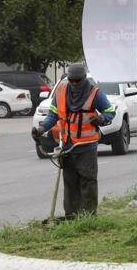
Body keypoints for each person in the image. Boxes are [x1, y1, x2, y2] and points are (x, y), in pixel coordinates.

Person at [31, 63, 116, 220]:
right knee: (70, 182)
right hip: (68, 146)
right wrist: (42, 129)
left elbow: (110, 112)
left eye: (78, 80)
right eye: (72, 80)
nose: (75, 83)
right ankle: (71, 216)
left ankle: (88, 216)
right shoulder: (61, 91)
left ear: (84, 79)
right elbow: (53, 115)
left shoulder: (95, 93)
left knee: (88, 181)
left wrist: (100, 118)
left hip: (87, 146)